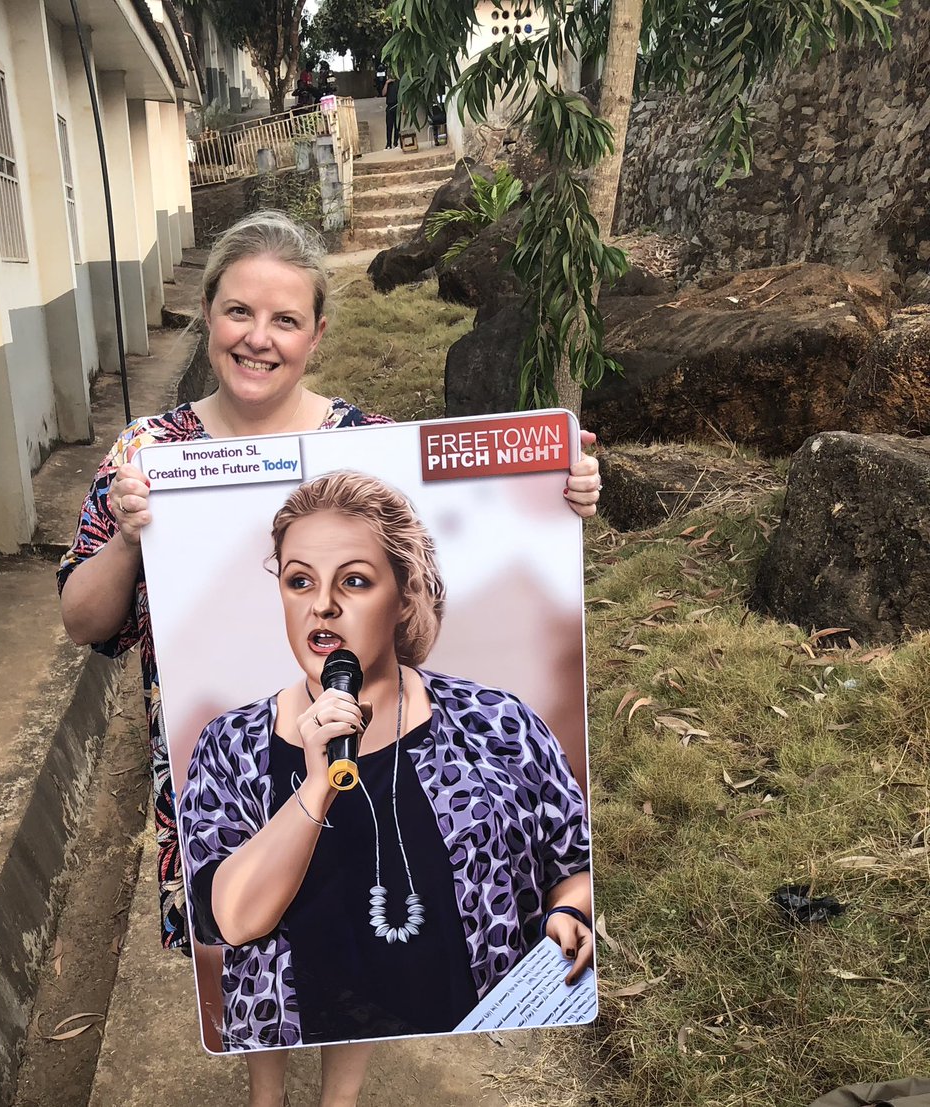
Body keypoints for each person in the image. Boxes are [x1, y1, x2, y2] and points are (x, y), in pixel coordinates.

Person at [58, 210, 602, 1107]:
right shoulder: (148, 456)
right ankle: (265, 1093)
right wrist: (126, 537)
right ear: (206, 313)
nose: (258, 339)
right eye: (238, 313)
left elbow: (502, 500)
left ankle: (337, 1097)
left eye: (283, 319)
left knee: (365, 912)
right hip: (225, 757)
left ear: (316, 332)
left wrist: (560, 491)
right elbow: (84, 619)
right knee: (272, 935)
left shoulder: (364, 442)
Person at [180, 471, 593, 1052]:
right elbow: (232, 919)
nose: (322, 606)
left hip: (472, 1063)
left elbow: (576, 864)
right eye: (300, 582)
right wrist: (318, 784)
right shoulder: (231, 745)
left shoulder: (496, 721)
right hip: (306, 1060)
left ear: (403, 596)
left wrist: (565, 917)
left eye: (353, 581)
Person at [382, 71, 400, 149]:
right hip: (389, 106)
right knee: (389, 126)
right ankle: (388, 144)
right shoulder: (388, 84)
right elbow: (383, 93)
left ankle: (395, 143)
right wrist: (386, 83)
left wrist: (403, 107)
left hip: (397, 106)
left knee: (397, 126)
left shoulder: (399, 83)